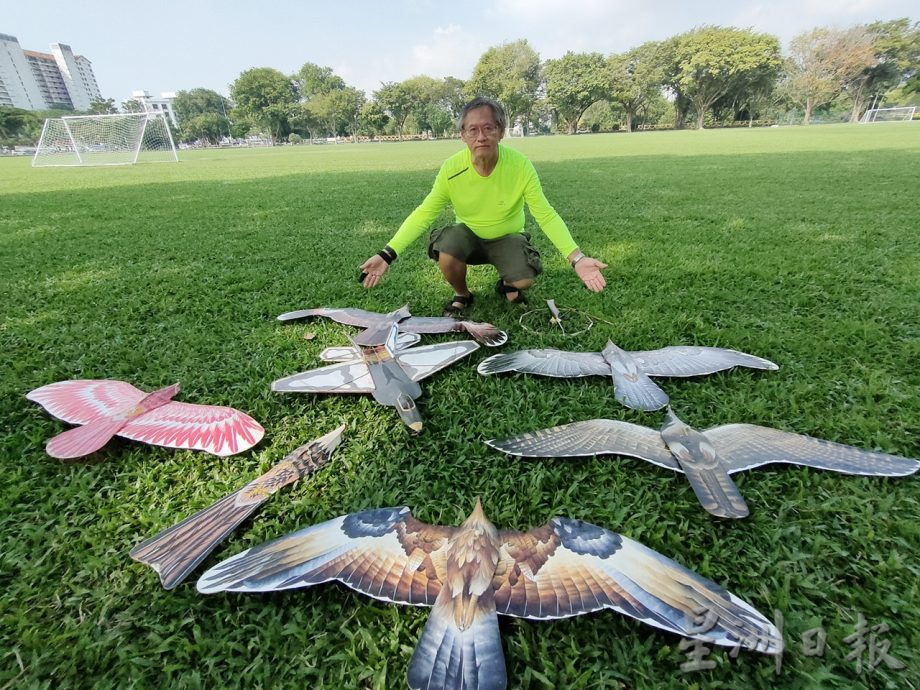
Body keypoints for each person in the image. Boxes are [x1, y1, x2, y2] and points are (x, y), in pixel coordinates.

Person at [359, 96, 607, 315]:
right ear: (463, 135)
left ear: (501, 131)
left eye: (489, 128)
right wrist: (386, 255)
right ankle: (462, 295)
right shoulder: (452, 169)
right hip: (468, 238)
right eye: (473, 130)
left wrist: (577, 258)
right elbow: (424, 213)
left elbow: (545, 214)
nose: (481, 136)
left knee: (524, 281)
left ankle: (508, 283)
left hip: (508, 238)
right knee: (448, 245)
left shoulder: (520, 165)